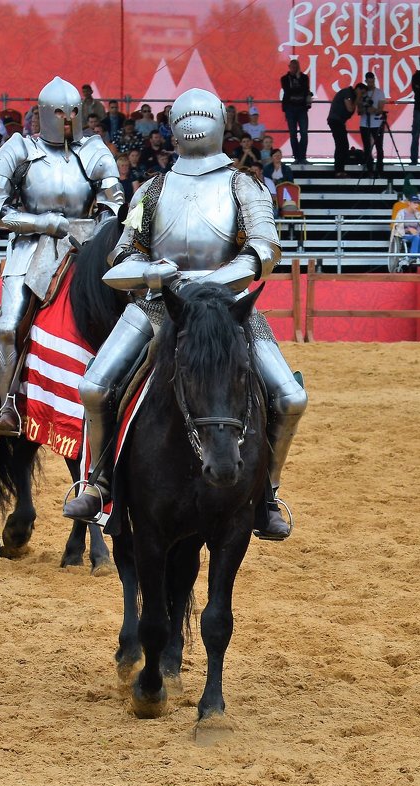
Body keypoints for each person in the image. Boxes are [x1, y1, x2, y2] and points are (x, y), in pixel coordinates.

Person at [61, 87, 304, 542]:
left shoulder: (242, 184)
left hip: (228, 309)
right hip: (157, 305)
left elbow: (263, 250)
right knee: (95, 386)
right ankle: (97, 482)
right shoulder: (153, 189)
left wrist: (210, 284)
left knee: (290, 398)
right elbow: (121, 260)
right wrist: (157, 273)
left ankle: (266, 495)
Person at [0, 75, 124, 437]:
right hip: (32, 248)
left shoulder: (94, 150)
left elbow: (113, 202)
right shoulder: (18, 149)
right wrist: (43, 223)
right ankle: (8, 405)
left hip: (88, 246)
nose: (68, 118)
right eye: (60, 112)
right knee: (9, 326)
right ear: (44, 113)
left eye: (74, 111)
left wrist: (99, 231)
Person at [327, 81, 365, 177]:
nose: (362, 96)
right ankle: (339, 170)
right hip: (336, 121)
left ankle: (340, 169)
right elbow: (350, 109)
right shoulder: (347, 93)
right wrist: (358, 98)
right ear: (358, 90)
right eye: (362, 93)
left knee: (343, 145)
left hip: (339, 121)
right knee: (341, 145)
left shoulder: (349, 94)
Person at [280, 59, 314, 164]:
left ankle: (302, 157)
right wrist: (298, 87)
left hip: (302, 109)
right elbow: (288, 91)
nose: (294, 69)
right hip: (290, 109)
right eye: (292, 67)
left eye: (296, 67)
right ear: (289, 67)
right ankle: (296, 157)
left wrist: (298, 80)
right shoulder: (284, 79)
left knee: (304, 133)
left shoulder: (304, 78)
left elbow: (305, 90)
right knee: (293, 134)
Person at [360, 72, 387, 175]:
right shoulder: (363, 93)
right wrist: (365, 108)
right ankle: (369, 170)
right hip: (364, 123)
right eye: (369, 82)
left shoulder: (380, 92)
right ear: (366, 81)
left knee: (379, 147)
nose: (371, 84)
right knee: (367, 147)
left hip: (377, 123)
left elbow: (380, 109)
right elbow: (359, 110)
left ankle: (380, 169)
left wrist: (372, 109)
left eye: (372, 81)